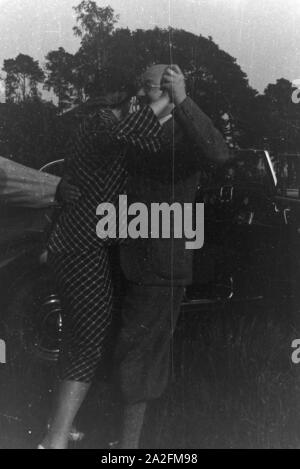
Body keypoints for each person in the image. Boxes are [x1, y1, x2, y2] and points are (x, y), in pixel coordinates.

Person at [39, 85, 172, 450]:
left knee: (77, 341)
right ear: (129, 99)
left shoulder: (94, 123)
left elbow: (138, 132)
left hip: (75, 244)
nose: (148, 107)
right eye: (143, 99)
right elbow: (133, 131)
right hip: (83, 247)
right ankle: (56, 439)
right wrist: (174, 97)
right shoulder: (101, 122)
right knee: (87, 344)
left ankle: (60, 427)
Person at [113, 64, 232, 449]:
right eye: (144, 85)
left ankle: (127, 447)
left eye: (149, 87)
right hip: (124, 254)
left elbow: (218, 154)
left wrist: (183, 100)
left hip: (160, 264)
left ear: (167, 88)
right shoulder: (133, 125)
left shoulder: (186, 131)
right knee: (125, 352)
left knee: (141, 359)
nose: (141, 94)